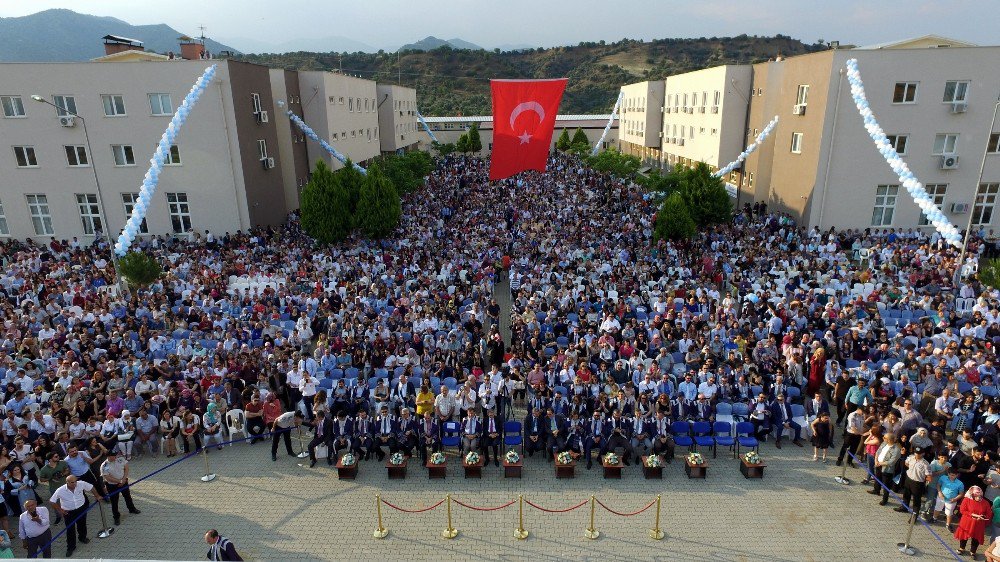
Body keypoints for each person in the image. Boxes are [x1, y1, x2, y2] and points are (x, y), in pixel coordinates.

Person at [49, 475, 103, 558]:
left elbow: (91, 487)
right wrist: (60, 510)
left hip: (81, 508)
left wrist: (97, 496)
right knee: (70, 529)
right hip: (68, 512)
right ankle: (71, 547)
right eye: (72, 482)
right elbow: (52, 501)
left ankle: (82, 538)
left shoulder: (81, 484)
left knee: (82, 524)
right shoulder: (60, 490)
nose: (75, 484)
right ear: (67, 482)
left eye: (75, 481)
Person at [100, 450, 140, 525]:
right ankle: (116, 517)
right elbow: (107, 477)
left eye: (115, 455)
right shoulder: (104, 465)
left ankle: (132, 509)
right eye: (113, 456)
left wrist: (124, 479)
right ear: (108, 456)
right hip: (112, 486)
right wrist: (119, 481)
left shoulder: (120, 459)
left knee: (127, 496)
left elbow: (126, 468)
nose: (115, 457)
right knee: (114, 502)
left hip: (124, 482)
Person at [956, 486, 994, 557]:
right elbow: (962, 510)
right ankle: (962, 548)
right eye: (976, 495)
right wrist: (972, 514)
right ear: (972, 494)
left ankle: (973, 552)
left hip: (979, 523)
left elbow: (989, 514)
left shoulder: (985, 502)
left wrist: (982, 517)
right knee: (964, 535)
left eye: (980, 496)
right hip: (967, 522)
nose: (978, 497)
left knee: (976, 537)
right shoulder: (966, 500)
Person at [868, 433, 901, 506]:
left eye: (885, 437)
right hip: (878, 465)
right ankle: (876, 490)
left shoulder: (896, 450)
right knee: (877, 478)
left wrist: (880, 463)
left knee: (886, 484)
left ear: (889, 440)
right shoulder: (884, 443)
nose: (883, 438)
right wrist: (876, 460)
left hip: (887, 469)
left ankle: (885, 499)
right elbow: (878, 451)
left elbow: (891, 462)